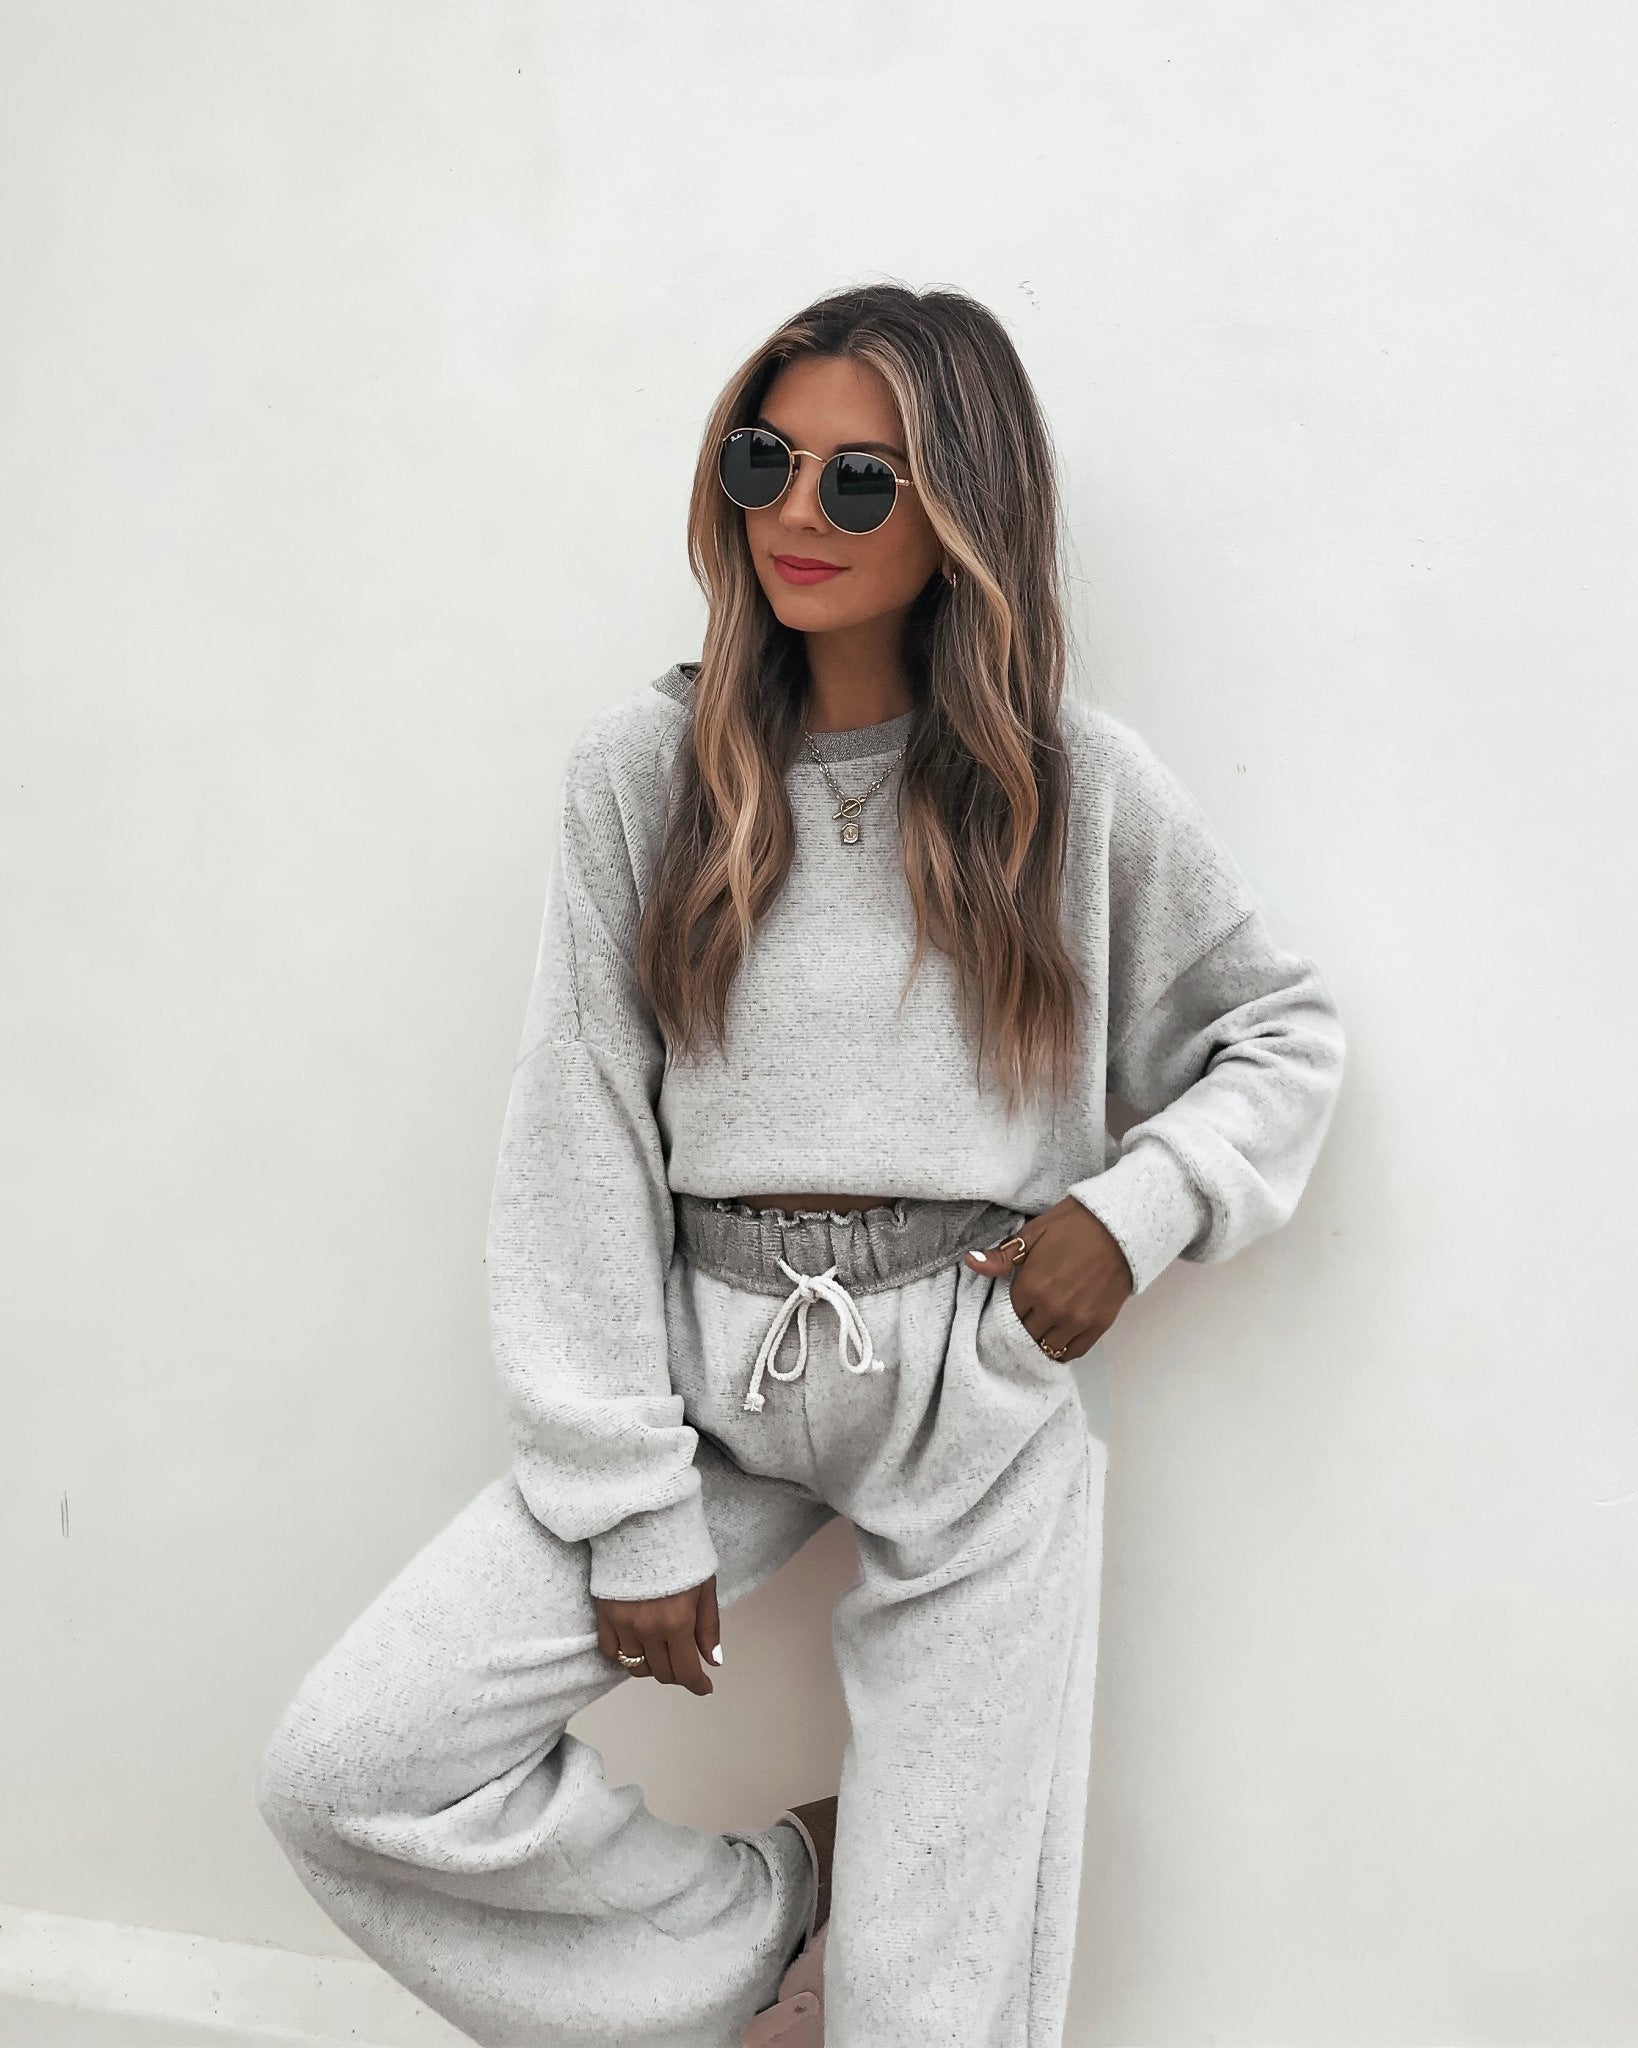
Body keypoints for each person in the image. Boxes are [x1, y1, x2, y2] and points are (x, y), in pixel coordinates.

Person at [255, 281, 1347, 2048]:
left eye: (862, 482)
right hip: (705, 1370)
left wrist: (1131, 1213)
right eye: (768, 460)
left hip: (973, 1383)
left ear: (960, 514)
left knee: (938, 2007)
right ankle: (765, 1918)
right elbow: (577, 1134)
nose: (793, 515)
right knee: (350, 1770)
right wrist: (624, 1505)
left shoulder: (1070, 788)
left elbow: (1278, 1033)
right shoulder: (644, 774)